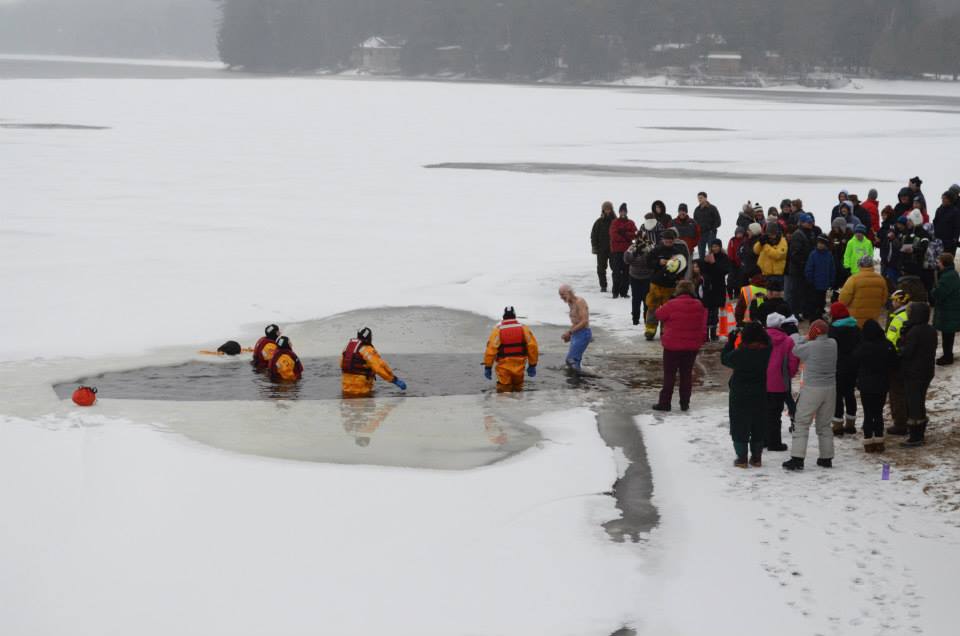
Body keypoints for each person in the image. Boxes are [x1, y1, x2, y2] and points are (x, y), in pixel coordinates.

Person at [782, 320, 837, 470]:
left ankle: (797, 458)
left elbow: (795, 350)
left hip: (813, 388)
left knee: (801, 422)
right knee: (824, 425)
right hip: (830, 388)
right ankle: (826, 458)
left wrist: (805, 337)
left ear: (814, 332)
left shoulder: (810, 346)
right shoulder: (833, 343)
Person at [721, 322, 772, 468]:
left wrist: (731, 341)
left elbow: (724, 358)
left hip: (740, 393)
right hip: (760, 392)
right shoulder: (766, 350)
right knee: (758, 423)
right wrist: (760, 329)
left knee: (739, 424)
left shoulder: (740, 353)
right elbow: (768, 340)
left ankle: (742, 458)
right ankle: (756, 458)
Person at [652, 280, 707, 412]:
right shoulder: (699, 305)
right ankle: (684, 403)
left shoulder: (672, 304)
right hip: (691, 346)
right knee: (686, 375)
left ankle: (665, 403)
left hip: (672, 346)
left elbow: (658, 315)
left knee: (669, 375)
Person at [852, 319, 896, 453]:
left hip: (866, 385)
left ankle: (868, 441)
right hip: (882, 384)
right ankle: (879, 440)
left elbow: (854, 363)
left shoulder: (862, 347)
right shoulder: (887, 345)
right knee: (878, 412)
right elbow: (895, 363)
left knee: (868, 413)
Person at [899, 303, 938, 447]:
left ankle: (916, 436)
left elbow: (907, 352)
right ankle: (919, 431)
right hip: (926, 371)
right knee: (919, 401)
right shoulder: (930, 330)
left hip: (914, 372)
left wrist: (900, 346)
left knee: (914, 403)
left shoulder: (914, 331)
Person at [644, 229, 689, 340]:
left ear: (674, 240)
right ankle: (650, 329)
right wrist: (658, 262)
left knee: (668, 309)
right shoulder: (656, 250)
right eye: (666, 239)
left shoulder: (678, 252)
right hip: (656, 284)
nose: (668, 241)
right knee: (652, 307)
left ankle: (665, 330)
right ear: (662, 240)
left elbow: (684, 266)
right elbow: (647, 262)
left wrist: (680, 278)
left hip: (670, 285)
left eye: (670, 239)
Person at [764, 313, 800, 452]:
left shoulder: (761, 338)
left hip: (762, 381)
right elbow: (793, 362)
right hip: (780, 382)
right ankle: (775, 443)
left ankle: (763, 440)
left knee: (764, 412)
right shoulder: (787, 341)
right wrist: (788, 376)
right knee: (775, 414)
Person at [483, 307, 539, 392]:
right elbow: (532, 347)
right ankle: (519, 402)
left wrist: (488, 367)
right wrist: (532, 365)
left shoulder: (498, 331)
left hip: (504, 366)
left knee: (504, 390)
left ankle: (505, 403)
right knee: (518, 388)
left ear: (504, 316)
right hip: (519, 365)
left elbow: (490, 350)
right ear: (514, 316)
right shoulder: (524, 329)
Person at [341, 327, 407, 397]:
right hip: (361, 389)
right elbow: (379, 368)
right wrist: (394, 379)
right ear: (368, 337)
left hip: (346, 387)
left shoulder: (348, 348)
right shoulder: (367, 350)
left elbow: (341, 364)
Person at [828, 302, 861, 436]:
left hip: (838, 366)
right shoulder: (856, 328)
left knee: (837, 396)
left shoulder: (833, 330)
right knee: (850, 394)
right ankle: (851, 424)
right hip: (853, 366)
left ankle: (837, 425)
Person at [623, 215, 660, 325]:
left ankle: (646, 318)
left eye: (642, 237)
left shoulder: (650, 246)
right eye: (638, 238)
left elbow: (653, 260)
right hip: (634, 276)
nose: (640, 239)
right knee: (636, 299)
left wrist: (644, 256)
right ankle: (635, 319)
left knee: (646, 299)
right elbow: (626, 259)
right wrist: (634, 254)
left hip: (647, 276)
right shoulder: (633, 247)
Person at [885, 289, 911, 435]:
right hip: (908, 360)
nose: (892, 303)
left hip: (896, 360)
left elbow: (891, 340)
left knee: (896, 393)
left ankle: (900, 422)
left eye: (894, 300)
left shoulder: (897, 318)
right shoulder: (910, 314)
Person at [838, 256, 888, 326]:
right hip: (873, 318)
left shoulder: (853, 279)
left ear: (859, 265)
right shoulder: (881, 280)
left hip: (855, 318)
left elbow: (843, 300)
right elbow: (884, 299)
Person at [787, 213, 817, 318]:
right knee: (796, 293)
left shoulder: (811, 233)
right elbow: (795, 254)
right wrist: (804, 263)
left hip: (807, 268)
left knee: (806, 293)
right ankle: (795, 314)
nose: (810, 224)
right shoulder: (798, 234)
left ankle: (805, 312)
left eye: (811, 222)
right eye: (808, 222)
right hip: (797, 270)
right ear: (802, 223)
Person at [700, 239, 731, 341]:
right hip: (708, 287)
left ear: (720, 247)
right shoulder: (707, 256)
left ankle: (713, 333)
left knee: (714, 311)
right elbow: (703, 271)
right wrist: (705, 263)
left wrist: (713, 263)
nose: (715, 248)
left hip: (719, 287)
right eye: (713, 246)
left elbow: (724, 271)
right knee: (707, 310)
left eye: (717, 246)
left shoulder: (724, 258)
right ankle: (705, 333)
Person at [932, 253, 960, 365]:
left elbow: (938, 293)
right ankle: (948, 355)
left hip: (948, 311)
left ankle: (947, 357)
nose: (938, 263)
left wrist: (933, 289)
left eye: (939, 261)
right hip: (952, 309)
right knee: (948, 335)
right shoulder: (952, 274)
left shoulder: (947, 277)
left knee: (947, 335)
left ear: (943, 263)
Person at [559, 284, 591, 371]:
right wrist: (569, 334)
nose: (561, 297)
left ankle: (579, 379)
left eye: (563, 294)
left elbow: (584, 321)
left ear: (570, 292)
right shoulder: (570, 303)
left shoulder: (579, 302)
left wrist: (570, 332)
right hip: (576, 334)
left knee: (571, 360)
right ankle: (577, 381)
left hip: (584, 333)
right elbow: (576, 321)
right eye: (560, 295)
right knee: (573, 361)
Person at [609, 203, 637, 299]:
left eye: (624, 211)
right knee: (616, 272)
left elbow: (635, 234)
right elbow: (614, 236)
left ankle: (624, 292)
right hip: (616, 251)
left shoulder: (631, 222)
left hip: (628, 251)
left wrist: (624, 234)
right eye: (621, 211)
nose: (623, 213)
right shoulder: (615, 222)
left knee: (626, 272)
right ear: (619, 212)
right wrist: (626, 237)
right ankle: (615, 292)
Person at [804, 235, 835, 322]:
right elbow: (809, 268)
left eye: (822, 243)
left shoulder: (829, 255)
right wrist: (810, 280)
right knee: (814, 303)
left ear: (826, 244)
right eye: (819, 243)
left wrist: (831, 280)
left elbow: (832, 269)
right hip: (814, 284)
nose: (820, 245)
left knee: (822, 302)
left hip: (824, 284)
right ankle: (813, 319)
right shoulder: (813, 254)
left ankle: (820, 317)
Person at [590, 201, 616, 293]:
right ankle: (603, 286)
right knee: (601, 268)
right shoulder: (599, 222)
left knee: (615, 268)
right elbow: (593, 235)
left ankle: (616, 286)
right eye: (606, 209)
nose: (607, 211)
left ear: (611, 209)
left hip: (614, 249)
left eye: (609, 209)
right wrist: (594, 247)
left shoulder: (615, 221)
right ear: (603, 210)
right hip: (601, 250)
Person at [754, 221, 788, 287]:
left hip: (777, 275)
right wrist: (760, 243)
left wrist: (765, 246)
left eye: (773, 234)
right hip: (765, 274)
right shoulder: (765, 239)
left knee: (776, 295)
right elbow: (756, 251)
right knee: (766, 295)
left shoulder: (782, 241)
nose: (771, 236)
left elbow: (778, 255)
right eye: (769, 234)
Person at [829, 217, 854, 296]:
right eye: (834, 227)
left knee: (845, 282)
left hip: (845, 262)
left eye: (836, 227)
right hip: (835, 262)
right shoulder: (832, 234)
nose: (835, 229)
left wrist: (843, 244)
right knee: (836, 284)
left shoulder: (849, 234)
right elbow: (829, 245)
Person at [694, 191, 721, 260]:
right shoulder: (697, 210)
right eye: (698, 198)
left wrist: (712, 229)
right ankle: (702, 268)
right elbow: (695, 222)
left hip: (710, 234)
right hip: (700, 234)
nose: (699, 199)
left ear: (706, 198)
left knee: (712, 253)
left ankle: (712, 268)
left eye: (701, 198)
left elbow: (718, 221)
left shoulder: (712, 208)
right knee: (701, 253)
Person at [933, 190, 960, 257]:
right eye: (942, 198)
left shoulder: (955, 212)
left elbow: (957, 227)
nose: (942, 200)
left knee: (947, 261)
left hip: (949, 242)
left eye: (944, 198)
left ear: (950, 200)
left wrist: (954, 240)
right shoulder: (939, 209)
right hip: (938, 240)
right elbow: (935, 222)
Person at [726, 226, 746, 297]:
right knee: (731, 280)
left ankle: (738, 294)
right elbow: (730, 251)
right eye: (737, 233)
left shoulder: (745, 240)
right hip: (733, 263)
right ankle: (730, 294)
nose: (739, 234)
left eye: (740, 233)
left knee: (740, 280)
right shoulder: (732, 240)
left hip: (742, 264)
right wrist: (731, 260)